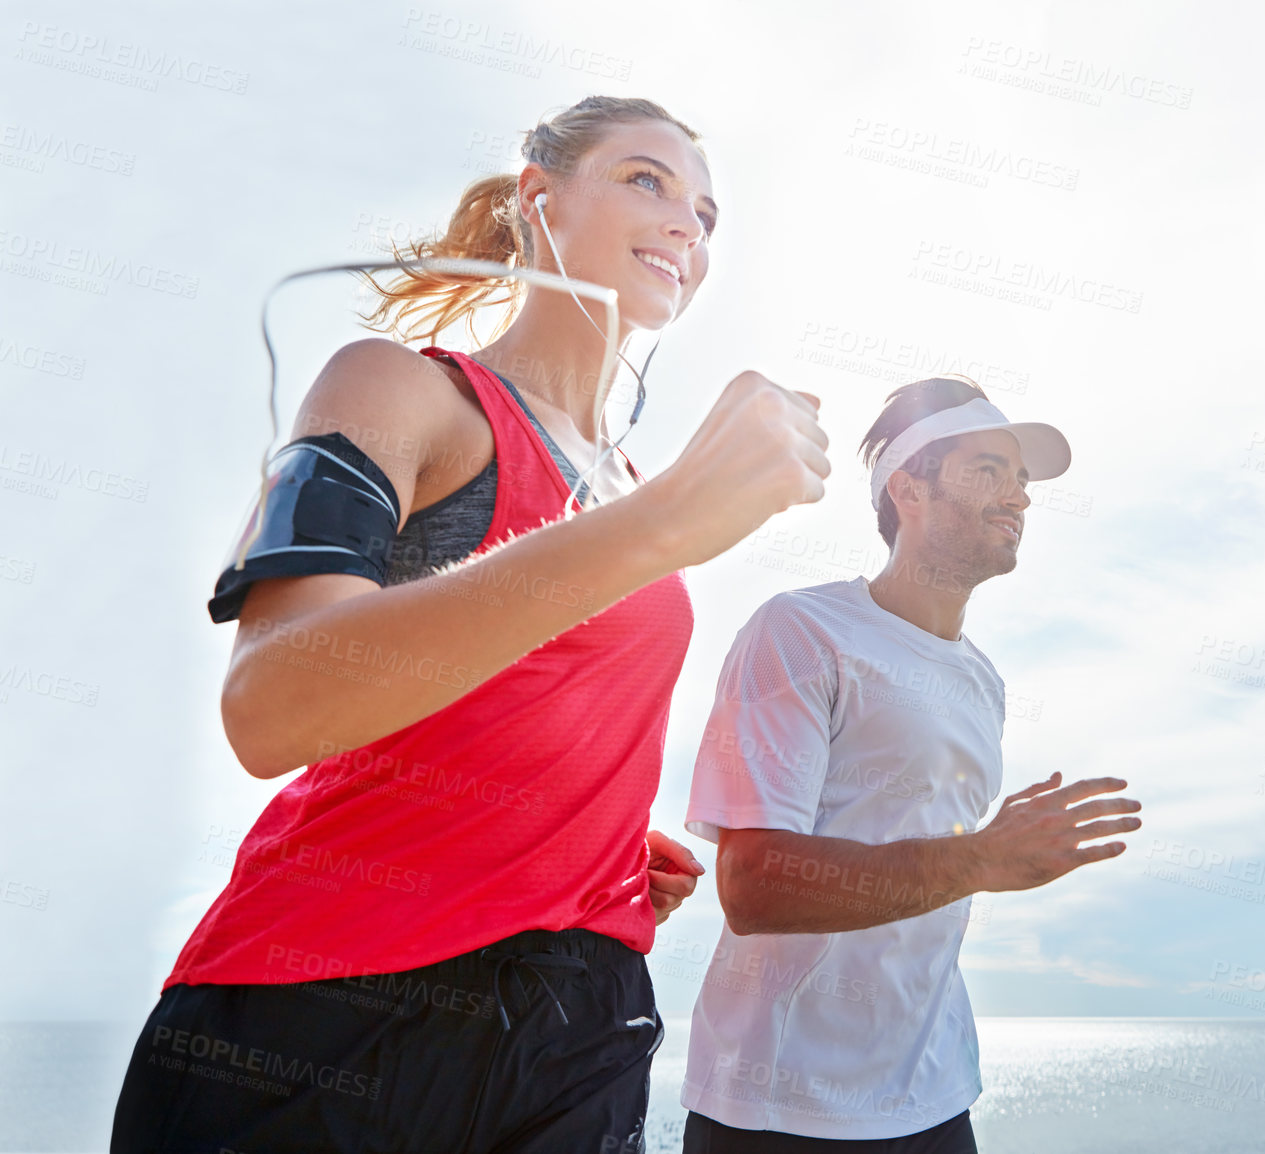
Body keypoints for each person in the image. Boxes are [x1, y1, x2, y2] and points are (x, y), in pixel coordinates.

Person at [110, 95, 830, 1154]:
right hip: (321, 1020)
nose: (688, 223)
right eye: (647, 179)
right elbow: (270, 703)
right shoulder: (398, 390)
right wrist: (661, 522)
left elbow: (500, 707)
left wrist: (578, 841)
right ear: (539, 197)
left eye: (708, 212)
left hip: (580, 1023)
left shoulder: (627, 484)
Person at [678, 376, 1144, 1153]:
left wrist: (983, 859)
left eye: (1022, 479)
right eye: (986, 469)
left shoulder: (984, 681)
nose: (1018, 497)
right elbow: (753, 886)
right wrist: (981, 858)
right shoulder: (799, 632)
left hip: (934, 1096)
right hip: (780, 1107)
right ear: (909, 489)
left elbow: (944, 871)